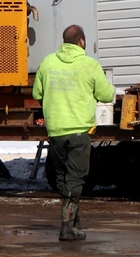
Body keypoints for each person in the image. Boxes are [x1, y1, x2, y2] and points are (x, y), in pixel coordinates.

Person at [33, 24, 114, 241]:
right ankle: (66, 227)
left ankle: (73, 221)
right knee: (76, 178)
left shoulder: (48, 62)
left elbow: (36, 92)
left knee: (62, 177)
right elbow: (106, 95)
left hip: (56, 131)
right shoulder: (90, 65)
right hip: (79, 131)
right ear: (82, 42)